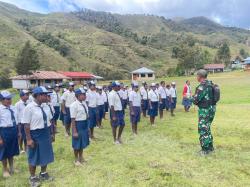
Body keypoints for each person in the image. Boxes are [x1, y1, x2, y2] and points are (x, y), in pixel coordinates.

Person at [22, 86, 54, 187]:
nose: (47, 96)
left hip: (45, 132)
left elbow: (49, 121)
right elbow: (26, 125)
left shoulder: (46, 106)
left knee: (45, 154)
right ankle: (33, 177)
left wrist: (51, 133)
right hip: (35, 134)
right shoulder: (29, 108)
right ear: (39, 96)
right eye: (45, 95)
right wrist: (29, 139)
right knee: (34, 156)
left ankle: (43, 173)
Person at [192, 69, 216, 155]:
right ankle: (210, 147)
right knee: (207, 128)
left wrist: (189, 97)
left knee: (203, 129)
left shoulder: (202, 87)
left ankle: (205, 150)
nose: (196, 77)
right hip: (212, 109)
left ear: (200, 76)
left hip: (205, 111)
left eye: (197, 76)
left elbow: (195, 100)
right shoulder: (211, 84)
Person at [0, 91, 19, 178]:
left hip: (13, 130)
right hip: (4, 131)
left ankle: (12, 167)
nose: (10, 100)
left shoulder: (13, 107)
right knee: (4, 151)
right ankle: (5, 169)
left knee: (12, 150)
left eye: (10, 98)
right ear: (2, 100)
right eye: (7, 99)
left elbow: (16, 120)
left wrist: (18, 132)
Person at [70, 88, 89, 166]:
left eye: (85, 94)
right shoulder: (74, 105)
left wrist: (87, 127)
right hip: (78, 125)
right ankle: (76, 159)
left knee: (82, 143)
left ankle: (81, 157)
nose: (84, 96)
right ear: (77, 96)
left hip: (84, 124)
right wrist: (74, 131)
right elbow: (73, 119)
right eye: (83, 95)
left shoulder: (84, 103)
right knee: (77, 143)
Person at [15, 89, 30, 154]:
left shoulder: (29, 103)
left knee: (26, 136)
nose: (27, 96)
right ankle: (20, 148)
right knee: (20, 136)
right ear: (21, 96)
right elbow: (16, 114)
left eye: (28, 95)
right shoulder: (18, 104)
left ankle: (26, 148)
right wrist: (18, 124)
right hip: (20, 123)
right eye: (26, 95)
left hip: (27, 122)